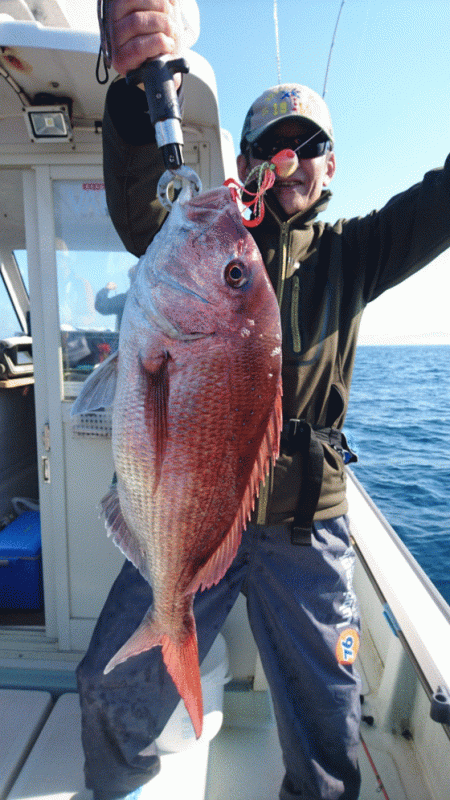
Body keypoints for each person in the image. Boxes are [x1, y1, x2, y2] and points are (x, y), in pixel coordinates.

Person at [76, 2, 450, 799]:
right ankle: (119, 784)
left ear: (334, 166)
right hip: (196, 518)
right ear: (248, 162)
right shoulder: (210, 235)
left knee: (329, 729)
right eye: (273, 146)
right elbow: (144, 208)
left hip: (308, 526)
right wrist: (139, 87)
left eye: (310, 146)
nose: (292, 158)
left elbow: (439, 201)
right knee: (107, 688)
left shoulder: (357, 251)